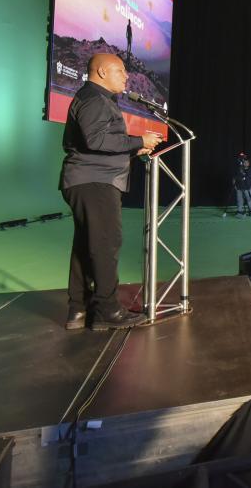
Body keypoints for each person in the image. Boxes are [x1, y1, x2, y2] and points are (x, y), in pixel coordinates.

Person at [60, 53, 162, 331]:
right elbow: (96, 140)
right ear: (103, 72)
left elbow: (98, 142)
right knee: (105, 243)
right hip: (94, 182)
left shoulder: (95, 98)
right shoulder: (95, 99)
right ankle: (107, 310)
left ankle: (78, 310)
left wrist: (133, 148)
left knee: (86, 246)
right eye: (120, 71)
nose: (126, 76)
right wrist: (139, 140)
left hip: (87, 180)